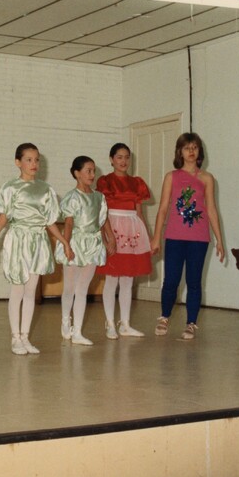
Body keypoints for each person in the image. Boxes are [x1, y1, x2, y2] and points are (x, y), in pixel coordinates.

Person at [0, 143, 74, 355]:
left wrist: (63, 241)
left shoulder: (46, 189)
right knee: (17, 288)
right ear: (18, 162)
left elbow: (49, 221)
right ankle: (15, 337)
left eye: (36, 160)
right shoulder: (11, 188)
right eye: (28, 159)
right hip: (18, 239)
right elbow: (3, 218)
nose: (33, 164)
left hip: (38, 240)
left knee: (30, 290)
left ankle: (25, 337)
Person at [150, 133, 224, 340]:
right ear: (179, 152)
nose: (191, 152)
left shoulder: (207, 178)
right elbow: (163, 209)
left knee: (194, 281)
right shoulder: (171, 177)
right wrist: (156, 237)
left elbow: (211, 209)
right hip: (175, 236)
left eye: (195, 147)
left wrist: (219, 239)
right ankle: (164, 317)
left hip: (199, 238)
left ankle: (191, 323)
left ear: (199, 151)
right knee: (171, 280)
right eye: (186, 148)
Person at [56, 156, 115, 346]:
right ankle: (66, 321)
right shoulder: (72, 197)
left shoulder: (99, 197)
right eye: (88, 171)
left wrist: (110, 239)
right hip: (75, 242)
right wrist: (66, 244)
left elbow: (102, 220)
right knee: (69, 287)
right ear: (77, 173)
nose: (92, 174)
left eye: (93, 170)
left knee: (82, 289)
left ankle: (78, 332)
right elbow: (69, 223)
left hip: (93, 244)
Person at [95, 143, 151, 339]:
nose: (123, 161)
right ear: (111, 160)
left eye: (127, 157)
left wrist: (148, 238)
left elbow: (139, 213)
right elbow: (102, 211)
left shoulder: (137, 183)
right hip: (113, 228)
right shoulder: (105, 181)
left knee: (128, 279)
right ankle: (110, 323)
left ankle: (125, 324)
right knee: (112, 278)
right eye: (119, 157)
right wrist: (106, 236)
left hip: (132, 231)